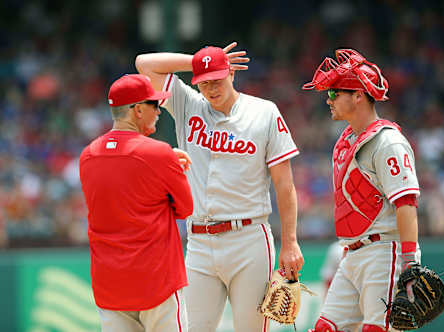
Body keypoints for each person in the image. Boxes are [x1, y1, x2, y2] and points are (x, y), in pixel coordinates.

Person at [135, 42, 304, 332]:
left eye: (216, 79)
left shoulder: (264, 112)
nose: (211, 89)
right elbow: (144, 63)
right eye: (203, 83)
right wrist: (199, 61)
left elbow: (284, 184)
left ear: (231, 74)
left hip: (248, 238)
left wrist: (289, 242)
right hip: (199, 241)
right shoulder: (188, 103)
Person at [302, 49, 421, 332]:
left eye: (334, 93)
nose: (328, 99)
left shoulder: (388, 141)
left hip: (384, 250)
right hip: (352, 253)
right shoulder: (346, 141)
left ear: (358, 95)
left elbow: (406, 204)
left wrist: (408, 262)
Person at [79, 74, 194, 332]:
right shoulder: (159, 153)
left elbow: (120, 190)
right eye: (155, 105)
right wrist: (168, 165)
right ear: (138, 110)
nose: (159, 111)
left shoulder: (87, 156)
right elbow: (186, 209)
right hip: (157, 281)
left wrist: (163, 164)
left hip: (110, 285)